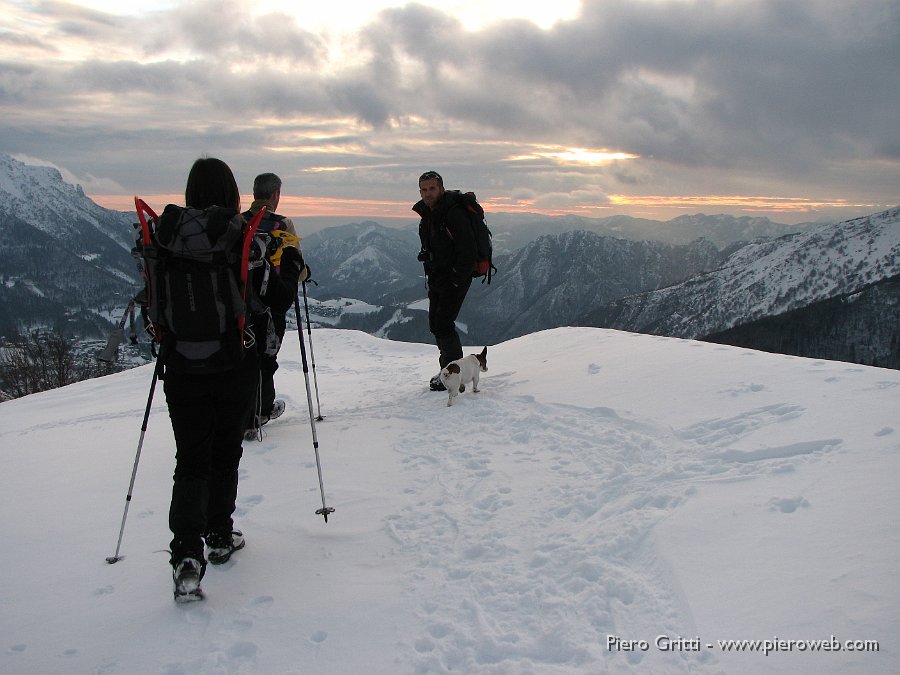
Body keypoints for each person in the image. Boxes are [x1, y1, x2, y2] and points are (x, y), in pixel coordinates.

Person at [164, 158, 306, 598]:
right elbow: (276, 299)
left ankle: (187, 553)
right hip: (235, 363)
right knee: (225, 454)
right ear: (231, 192)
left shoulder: (165, 237)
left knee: (190, 460)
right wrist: (290, 265)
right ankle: (220, 537)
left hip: (181, 366)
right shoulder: (241, 236)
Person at [241, 173, 307, 438]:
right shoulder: (282, 225)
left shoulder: (239, 222)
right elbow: (298, 269)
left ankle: (244, 409)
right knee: (266, 357)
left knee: (244, 357)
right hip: (272, 302)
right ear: (275, 195)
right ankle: (261, 410)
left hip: (239, 303)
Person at [412, 170, 477, 391]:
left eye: (432, 188)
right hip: (438, 278)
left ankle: (451, 375)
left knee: (443, 325)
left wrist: (456, 280)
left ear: (441, 188)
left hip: (452, 279)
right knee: (436, 325)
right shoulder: (430, 214)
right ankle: (449, 370)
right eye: (424, 189)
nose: (428, 193)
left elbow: (468, 251)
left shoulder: (453, 214)